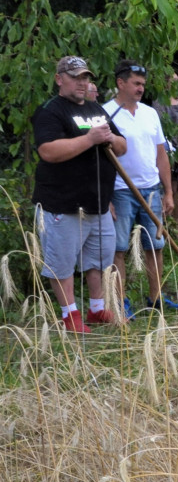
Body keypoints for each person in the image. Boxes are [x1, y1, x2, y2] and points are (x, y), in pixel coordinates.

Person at [32, 55, 127, 332]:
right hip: (62, 202)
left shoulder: (97, 109)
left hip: (98, 202)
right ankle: (69, 315)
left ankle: (97, 309)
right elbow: (48, 151)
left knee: (100, 258)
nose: (82, 82)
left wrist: (111, 139)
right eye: (75, 77)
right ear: (59, 79)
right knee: (62, 261)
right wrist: (89, 139)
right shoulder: (50, 111)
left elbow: (122, 146)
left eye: (85, 77)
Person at [103, 59, 178, 318]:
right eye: (136, 83)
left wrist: (168, 191)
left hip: (151, 189)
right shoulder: (105, 113)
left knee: (155, 245)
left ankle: (156, 298)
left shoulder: (150, 113)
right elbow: (100, 160)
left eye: (143, 84)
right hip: (120, 190)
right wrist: (106, 197)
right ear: (120, 82)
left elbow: (161, 154)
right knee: (119, 248)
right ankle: (120, 302)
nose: (140, 88)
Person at [152, 72, 178, 217]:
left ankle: (176, 227)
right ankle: (166, 228)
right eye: (173, 80)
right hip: (168, 152)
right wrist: (175, 152)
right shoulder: (159, 103)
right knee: (170, 189)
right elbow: (160, 129)